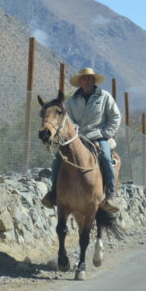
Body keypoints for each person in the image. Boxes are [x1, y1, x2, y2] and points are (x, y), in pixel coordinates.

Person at [41, 67, 121, 213]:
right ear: (80, 82)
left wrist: (105, 133)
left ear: (93, 80)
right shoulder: (71, 102)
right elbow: (67, 121)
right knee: (58, 159)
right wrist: (69, 135)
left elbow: (115, 117)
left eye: (89, 78)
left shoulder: (104, 97)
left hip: (99, 136)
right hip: (77, 137)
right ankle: (54, 193)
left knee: (105, 156)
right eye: (84, 79)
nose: (87, 81)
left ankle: (110, 195)